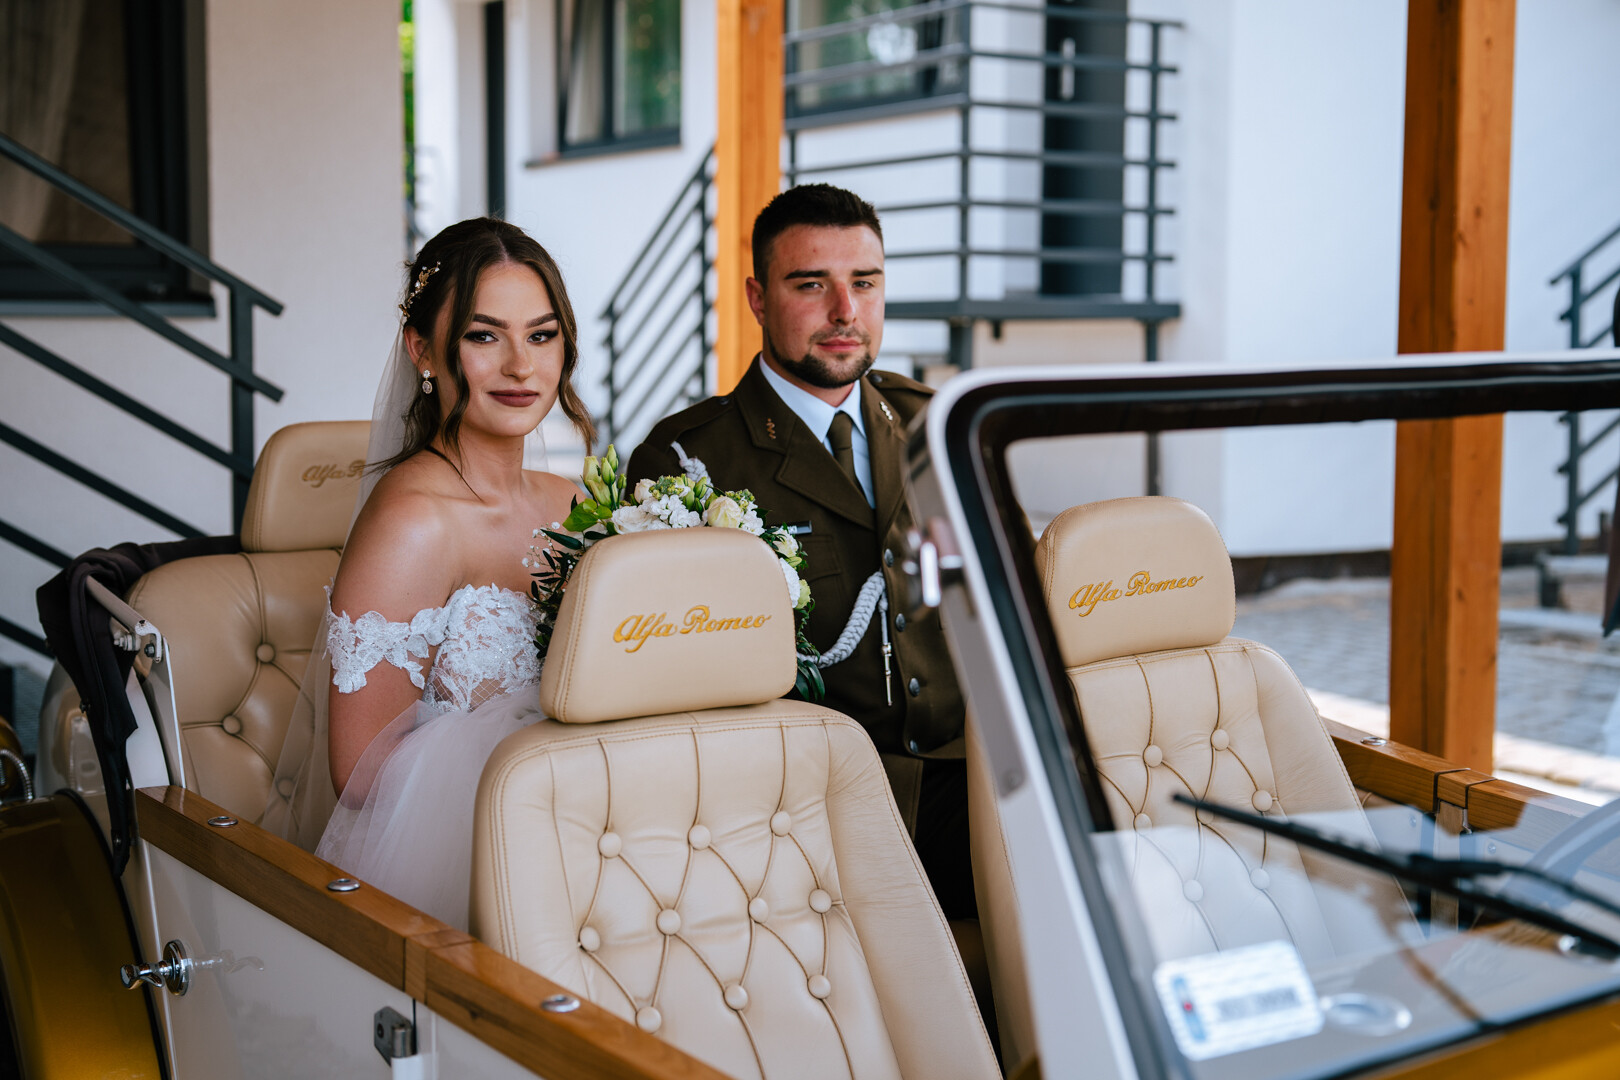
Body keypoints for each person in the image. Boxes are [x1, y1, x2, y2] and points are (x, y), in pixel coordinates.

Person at [627, 184, 973, 919]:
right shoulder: (689, 462)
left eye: (865, 283)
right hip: (811, 807)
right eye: (811, 285)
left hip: (967, 776)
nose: (845, 311)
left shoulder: (935, 426)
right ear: (757, 298)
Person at [265, 218, 594, 930]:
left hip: (590, 828)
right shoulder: (413, 522)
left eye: (541, 335)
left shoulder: (572, 504)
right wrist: (541, 756)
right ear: (422, 350)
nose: (521, 366)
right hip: (464, 863)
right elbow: (360, 775)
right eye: (484, 336)